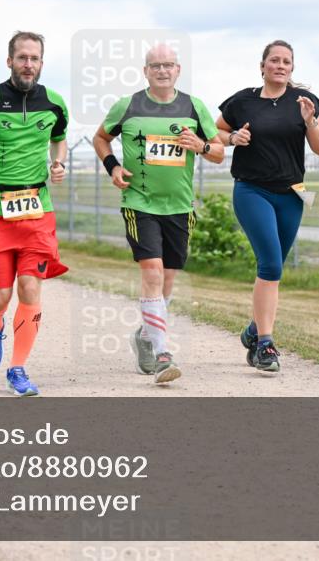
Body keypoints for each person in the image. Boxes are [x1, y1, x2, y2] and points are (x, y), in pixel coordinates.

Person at [92, 43, 224, 384]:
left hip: (180, 207)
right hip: (139, 203)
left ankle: (146, 335)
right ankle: (163, 354)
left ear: (178, 70)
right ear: (145, 71)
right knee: (151, 273)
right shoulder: (129, 105)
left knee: (166, 280)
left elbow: (219, 152)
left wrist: (202, 146)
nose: (162, 70)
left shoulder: (194, 107)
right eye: (155, 66)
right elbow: (101, 138)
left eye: (168, 65)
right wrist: (113, 167)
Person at [0, 31, 69, 397]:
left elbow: (60, 136)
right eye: (22, 57)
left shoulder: (54, 103)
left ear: (41, 63)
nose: (28, 64)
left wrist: (59, 161)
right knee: (0, 296)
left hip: (37, 210)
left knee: (30, 286)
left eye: (34, 58)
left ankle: (17, 369)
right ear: (9, 61)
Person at [216, 40, 319, 371]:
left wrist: (310, 121)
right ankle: (265, 345)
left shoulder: (303, 102)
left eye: (287, 62)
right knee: (271, 266)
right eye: (274, 60)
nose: (281, 65)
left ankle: (254, 329)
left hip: (291, 194)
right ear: (262, 65)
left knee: (275, 266)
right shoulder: (243, 100)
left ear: (292, 68)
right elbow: (214, 132)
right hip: (252, 191)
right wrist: (233, 137)